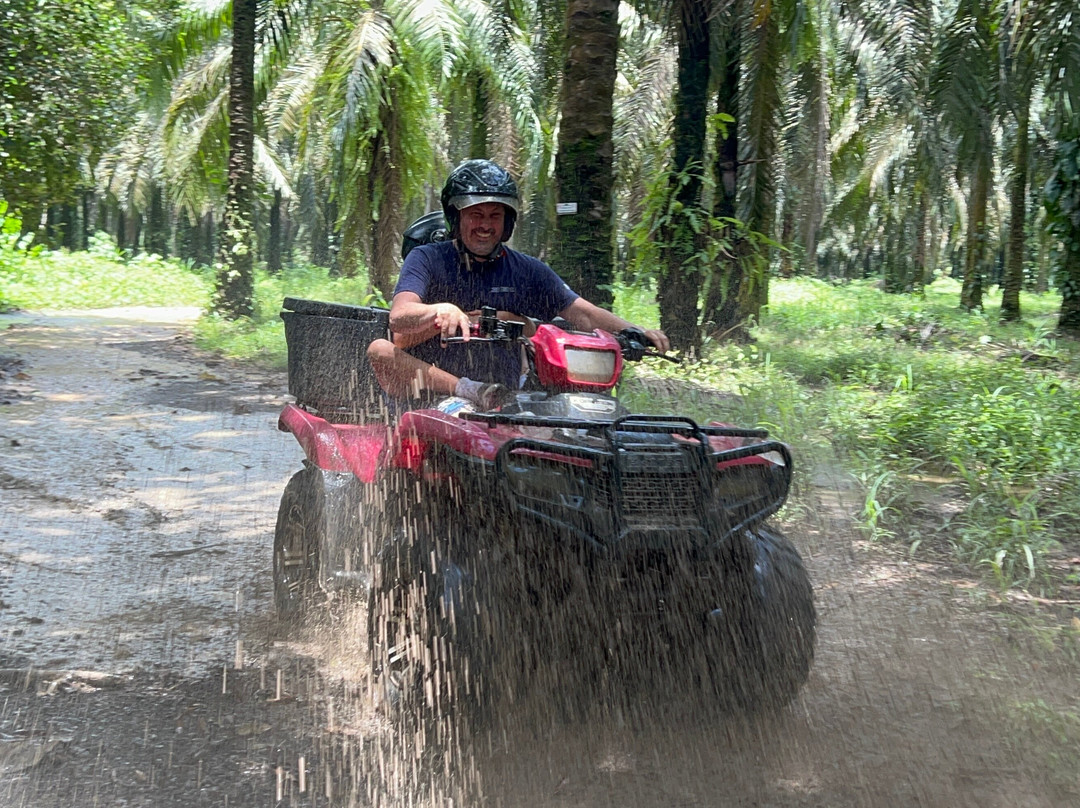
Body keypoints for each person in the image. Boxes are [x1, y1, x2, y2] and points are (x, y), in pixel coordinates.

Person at [367, 159, 670, 410]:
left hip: (508, 398)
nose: (485, 225)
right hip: (432, 397)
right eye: (475, 215)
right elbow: (399, 317)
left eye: (495, 215)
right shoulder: (426, 258)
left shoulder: (527, 270)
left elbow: (584, 313)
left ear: (507, 222)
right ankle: (469, 390)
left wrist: (635, 331)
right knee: (380, 349)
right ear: (456, 218)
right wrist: (441, 311)